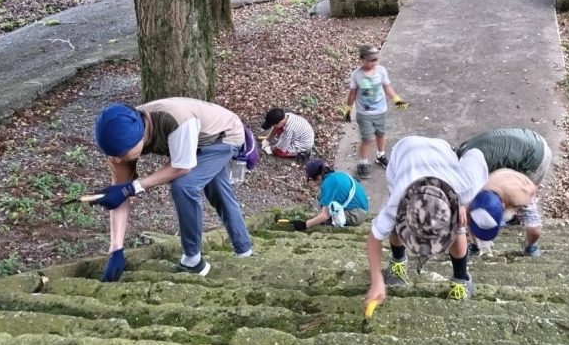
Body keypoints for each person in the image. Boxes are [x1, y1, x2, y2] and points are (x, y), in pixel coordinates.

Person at [92, 98, 253, 279]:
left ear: (139, 136)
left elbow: (182, 167)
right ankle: (245, 251)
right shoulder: (119, 143)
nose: (118, 160)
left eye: (121, 154)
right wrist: (116, 249)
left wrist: (134, 187)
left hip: (223, 136)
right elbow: (120, 195)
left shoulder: (176, 120)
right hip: (196, 139)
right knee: (219, 191)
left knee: (184, 186)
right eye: (113, 156)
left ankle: (192, 260)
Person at [365, 136, 488, 304]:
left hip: (442, 153)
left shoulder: (465, 184)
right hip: (404, 153)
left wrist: (463, 205)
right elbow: (374, 237)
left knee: (459, 226)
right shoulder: (397, 201)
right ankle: (398, 260)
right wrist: (377, 279)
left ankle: (461, 278)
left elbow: (476, 154)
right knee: (393, 225)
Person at [456, 128, 552, 257]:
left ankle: (531, 247)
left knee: (527, 206)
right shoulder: (464, 172)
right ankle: (477, 245)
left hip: (535, 155)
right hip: (518, 143)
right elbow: (468, 212)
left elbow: (534, 229)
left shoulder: (519, 188)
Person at [343, 45, 408, 178]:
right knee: (366, 139)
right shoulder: (356, 75)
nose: (373, 63)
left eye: (375, 60)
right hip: (364, 114)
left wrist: (396, 99)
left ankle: (380, 155)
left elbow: (387, 87)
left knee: (381, 134)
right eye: (370, 60)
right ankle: (363, 162)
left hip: (380, 111)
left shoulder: (381, 71)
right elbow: (352, 94)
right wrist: (348, 109)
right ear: (361, 59)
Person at [283, 158, 369, 230]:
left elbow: (325, 216)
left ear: (317, 177)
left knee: (326, 220)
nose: (314, 184)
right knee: (322, 197)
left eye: (311, 180)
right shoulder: (336, 175)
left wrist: (305, 225)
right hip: (361, 209)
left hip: (357, 215)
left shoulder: (328, 184)